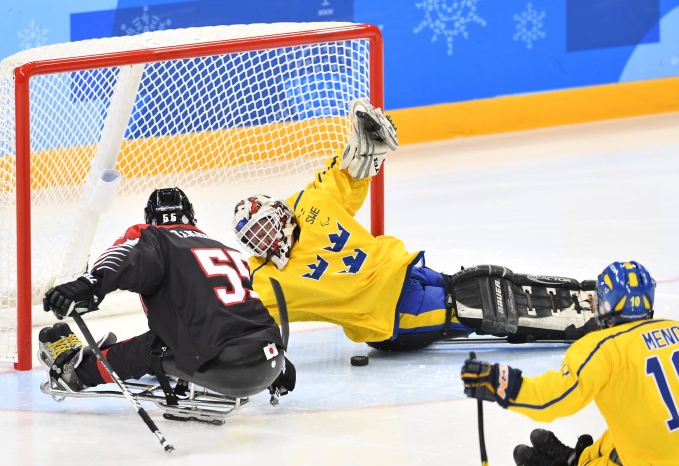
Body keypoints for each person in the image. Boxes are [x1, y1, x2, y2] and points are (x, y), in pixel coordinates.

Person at [231, 99, 598, 352]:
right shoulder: (264, 281)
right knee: (476, 307)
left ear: (278, 212)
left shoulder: (309, 203)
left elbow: (347, 177)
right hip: (390, 319)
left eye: (264, 226)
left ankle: (582, 299)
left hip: (403, 270)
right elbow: (233, 307)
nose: (264, 239)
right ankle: (579, 322)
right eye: (254, 238)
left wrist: (366, 147)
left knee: (482, 282)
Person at [40, 187, 295, 403]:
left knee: (153, 347)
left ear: (151, 219)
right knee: (200, 325)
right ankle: (184, 365)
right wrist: (277, 362)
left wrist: (91, 282)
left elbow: (125, 256)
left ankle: (75, 374)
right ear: (191, 218)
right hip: (270, 360)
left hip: (224, 367)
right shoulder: (225, 248)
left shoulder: (154, 236)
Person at [460, 261, 679, 465]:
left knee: (630, 452)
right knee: (632, 434)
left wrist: (503, 383)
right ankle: (579, 458)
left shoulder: (602, 348)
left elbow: (556, 399)